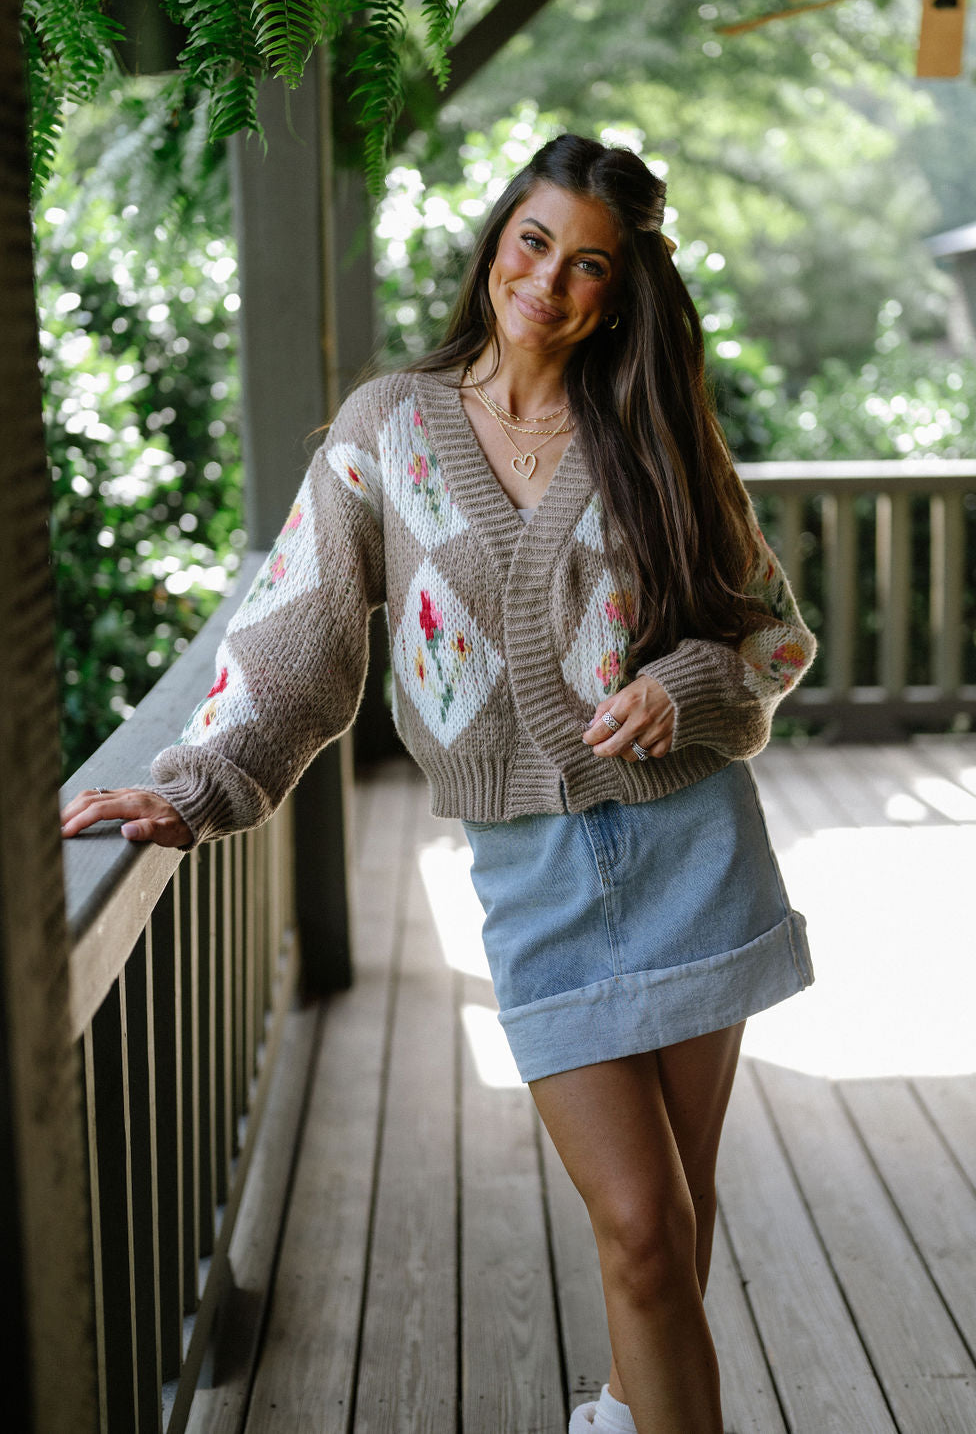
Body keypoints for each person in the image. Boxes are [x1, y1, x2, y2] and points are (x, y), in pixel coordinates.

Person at [62, 134, 815, 1434]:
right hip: (530, 877)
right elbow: (297, 639)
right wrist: (193, 784)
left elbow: (776, 634)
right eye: (535, 242)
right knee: (639, 1221)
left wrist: (684, 684)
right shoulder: (388, 434)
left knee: (667, 1239)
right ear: (495, 242)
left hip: (692, 846)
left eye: (591, 265)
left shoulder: (650, 430)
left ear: (622, 288)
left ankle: (618, 1422)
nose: (552, 282)